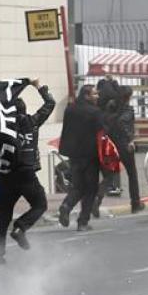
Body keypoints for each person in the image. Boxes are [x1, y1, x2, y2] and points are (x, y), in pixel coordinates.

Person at [0, 79, 55, 264]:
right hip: (26, 173)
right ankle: (20, 227)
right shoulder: (32, 122)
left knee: (4, 216)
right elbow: (50, 104)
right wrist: (38, 87)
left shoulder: (2, 127)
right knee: (40, 204)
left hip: (7, 174)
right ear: (24, 109)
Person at [58, 85, 104, 231]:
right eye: (95, 94)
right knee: (90, 188)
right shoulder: (94, 112)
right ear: (86, 96)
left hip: (74, 154)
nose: (97, 96)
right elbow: (102, 131)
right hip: (90, 155)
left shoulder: (70, 109)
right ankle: (82, 222)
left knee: (77, 186)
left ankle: (66, 206)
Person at [96, 86, 142, 213]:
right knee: (132, 174)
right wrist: (130, 139)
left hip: (111, 144)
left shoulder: (110, 108)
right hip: (124, 144)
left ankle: (97, 199)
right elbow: (122, 122)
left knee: (110, 174)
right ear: (128, 97)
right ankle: (135, 203)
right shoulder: (127, 109)